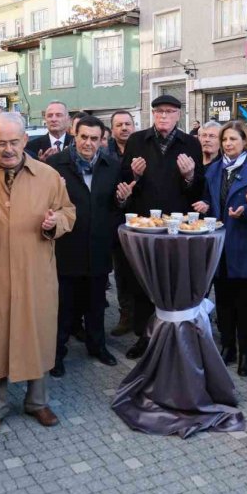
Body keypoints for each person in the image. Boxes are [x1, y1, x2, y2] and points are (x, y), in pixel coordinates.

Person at [0, 113, 76, 440]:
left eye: (14, 142)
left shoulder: (49, 177)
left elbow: (68, 212)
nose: (8, 149)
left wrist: (55, 223)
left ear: (25, 140)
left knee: (37, 334)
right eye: (0, 142)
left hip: (37, 273)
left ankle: (38, 402)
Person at [120, 94, 205, 359]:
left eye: (169, 112)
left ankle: (175, 335)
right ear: (153, 115)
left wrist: (190, 175)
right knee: (143, 281)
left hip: (178, 226)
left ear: (179, 115)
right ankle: (144, 337)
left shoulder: (190, 142)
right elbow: (124, 184)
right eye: (158, 112)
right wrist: (134, 174)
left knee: (173, 280)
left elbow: (198, 188)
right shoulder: (137, 140)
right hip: (145, 223)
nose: (163, 116)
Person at [192, 122, 247, 376]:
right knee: (224, 301)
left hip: (246, 247)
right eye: (225, 139)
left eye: (233, 140)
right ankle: (227, 346)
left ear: (244, 141)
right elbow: (210, 199)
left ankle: (245, 353)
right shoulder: (214, 170)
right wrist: (205, 205)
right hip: (220, 246)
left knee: (245, 305)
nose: (228, 144)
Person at [47, 115, 122, 377]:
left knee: (96, 304)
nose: (88, 143)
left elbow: (115, 208)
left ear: (102, 140)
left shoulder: (112, 165)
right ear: (73, 135)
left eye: (94, 138)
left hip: (98, 248)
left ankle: (97, 346)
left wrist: (122, 200)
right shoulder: (56, 165)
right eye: (83, 137)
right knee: (63, 307)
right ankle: (55, 354)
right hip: (66, 248)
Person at [106, 110, 137, 336]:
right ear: (112, 129)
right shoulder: (105, 152)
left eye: (128, 124)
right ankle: (126, 315)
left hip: (143, 218)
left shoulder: (144, 147)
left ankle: (146, 316)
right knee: (122, 272)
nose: (124, 128)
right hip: (116, 220)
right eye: (119, 125)